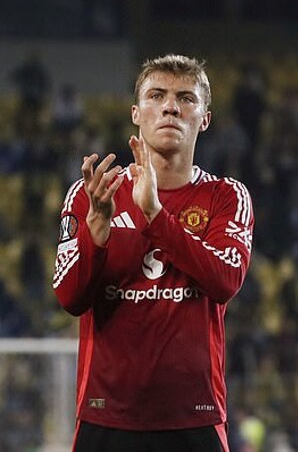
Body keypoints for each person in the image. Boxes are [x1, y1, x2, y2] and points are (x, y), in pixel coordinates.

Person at [53, 55, 254, 452]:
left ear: (205, 119)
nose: (170, 107)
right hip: (106, 416)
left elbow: (225, 282)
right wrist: (96, 233)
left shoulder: (227, 196)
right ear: (136, 113)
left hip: (194, 418)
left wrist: (155, 215)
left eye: (186, 98)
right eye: (157, 95)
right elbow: (69, 299)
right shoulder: (93, 194)